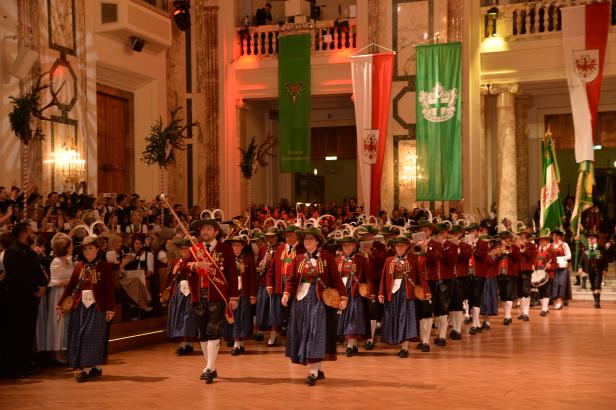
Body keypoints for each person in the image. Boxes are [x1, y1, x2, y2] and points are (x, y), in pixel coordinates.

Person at [282, 227, 347, 386]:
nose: (307, 242)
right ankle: (317, 369)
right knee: (305, 332)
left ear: (318, 242)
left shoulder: (327, 258)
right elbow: (291, 280)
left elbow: (337, 280)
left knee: (316, 333)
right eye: (305, 240)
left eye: (311, 239)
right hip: (301, 300)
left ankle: (313, 372)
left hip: (319, 301)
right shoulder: (298, 259)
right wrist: (286, 294)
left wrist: (343, 298)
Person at [57, 235, 116, 383]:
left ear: (97, 249)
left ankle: (87, 369)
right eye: (85, 249)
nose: (88, 251)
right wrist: (60, 303)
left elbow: (110, 290)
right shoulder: (79, 266)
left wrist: (110, 309)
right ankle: (94, 368)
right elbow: (70, 287)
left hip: (98, 308)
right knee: (80, 336)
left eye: (91, 248)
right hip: (80, 308)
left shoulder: (104, 267)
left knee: (92, 337)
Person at [189, 219, 238, 384]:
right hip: (198, 295)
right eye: (203, 229)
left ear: (216, 232)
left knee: (212, 330)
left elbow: (231, 273)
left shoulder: (225, 249)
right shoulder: (195, 250)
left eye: (209, 229)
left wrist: (233, 296)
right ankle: (210, 366)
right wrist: (195, 265)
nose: (205, 232)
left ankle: (209, 368)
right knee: (202, 332)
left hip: (217, 295)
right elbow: (182, 267)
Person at [1, 222, 47, 378]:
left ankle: (25, 364)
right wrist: (35, 289)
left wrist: (43, 286)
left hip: (31, 301)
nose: (33, 234)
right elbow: (17, 276)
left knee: (28, 332)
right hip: (17, 301)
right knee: (16, 334)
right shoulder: (11, 252)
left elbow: (38, 272)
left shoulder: (32, 252)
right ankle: (14, 368)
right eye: (30, 232)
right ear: (22, 233)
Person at [378, 236, 427, 358]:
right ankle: (397, 341)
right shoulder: (389, 260)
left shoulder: (413, 259)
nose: (399, 248)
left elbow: (420, 277)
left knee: (406, 319)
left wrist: (427, 291)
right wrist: (381, 293)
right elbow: (383, 278)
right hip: (393, 294)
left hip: (407, 293)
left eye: (402, 245)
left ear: (407, 247)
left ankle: (404, 348)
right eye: (397, 246)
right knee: (394, 318)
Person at [266, 225, 305, 347]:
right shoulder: (281, 248)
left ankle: (295, 338)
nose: (288, 237)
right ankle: (274, 335)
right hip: (280, 284)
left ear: (297, 236)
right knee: (278, 312)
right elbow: (272, 267)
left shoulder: (302, 249)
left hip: (296, 286)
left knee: (294, 312)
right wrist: (269, 284)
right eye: (286, 235)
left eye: (291, 235)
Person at [335, 235, 371, 356]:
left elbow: (368, 277)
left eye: (349, 245)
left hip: (355, 293)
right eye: (344, 245)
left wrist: (370, 292)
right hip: (341, 292)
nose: (347, 247)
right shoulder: (338, 260)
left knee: (353, 319)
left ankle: (350, 346)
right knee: (345, 319)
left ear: (354, 246)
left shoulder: (361, 259)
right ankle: (353, 344)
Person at [42, 233, 74, 363]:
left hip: (68, 294)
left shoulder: (70, 259)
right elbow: (54, 281)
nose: (72, 247)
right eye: (70, 245)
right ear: (64, 247)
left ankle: (66, 350)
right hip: (59, 294)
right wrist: (71, 281)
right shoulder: (56, 261)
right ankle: (56, 353)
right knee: (59, 323)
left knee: (67, 323)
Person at [163, 238, 198, 356]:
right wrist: (164, 290)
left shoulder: (195, 262)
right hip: (178, 294)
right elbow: (169, 277)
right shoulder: (175, 263)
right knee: (179, 318)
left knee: (188, 318)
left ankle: (187, 344)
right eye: (182, 248)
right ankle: (184, 344)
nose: (184, 250)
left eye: (186, 248)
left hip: (191, 294)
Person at [225, 236, 257, 355]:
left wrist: (253, 295)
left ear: (242, 246)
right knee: (233, 317)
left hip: (244, 293)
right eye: (233, 245)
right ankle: (238, 343)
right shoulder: (228, 260)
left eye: (238, 245)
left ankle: (238, 344)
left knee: (242, 318)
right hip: (231, 293)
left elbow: (253, 279)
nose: (235, 247)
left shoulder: (248, 260)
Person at [255, 227, 279, 342]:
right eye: (268, 237)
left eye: (272, 237)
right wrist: (260, 266)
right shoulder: (263, 249)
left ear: (276, 237)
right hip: (263, 282)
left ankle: (273, 335)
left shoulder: (280, 249)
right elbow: (257, 267)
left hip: (274, 283)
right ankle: (259, 331)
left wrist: (273, 259)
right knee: (261, 308)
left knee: (273, 309)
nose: (270, 239)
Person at [578, 231, 607, 309]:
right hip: (590, 270)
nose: (590, 239)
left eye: (592, 238)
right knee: (593, 286)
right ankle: (595, 301)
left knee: (597, 285)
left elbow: (605, 259)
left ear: (596, 239)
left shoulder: (601, 247)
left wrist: (605, 269)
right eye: (589, 238)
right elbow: (582, 259)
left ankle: (597, 301)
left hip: (598, 269)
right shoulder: (586, 248)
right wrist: (580, 267)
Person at [517, 229, 537, 320]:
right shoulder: (516, 245)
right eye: (521, 235)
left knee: (526, 291)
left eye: (524, 235)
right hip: (517, 269)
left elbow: (530, 256)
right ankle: (522, 312)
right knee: (519, 292)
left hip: (526, 269)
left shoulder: (532, 246)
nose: (522, 236)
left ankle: (526, 313)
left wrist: (523, 246)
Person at [550, 230, 571, 310]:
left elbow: (569, 256)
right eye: (553, 236)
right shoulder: (550, 245)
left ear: (559, 236)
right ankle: (555, 301)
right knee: (554, 284)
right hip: (553, 268)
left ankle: (560, 300)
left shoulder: (564, 244)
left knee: (561, 284)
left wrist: (561, 259)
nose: (554, 237)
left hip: (562, 268)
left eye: (556, 236)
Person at [536, 230, 555, 316]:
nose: (542, 242)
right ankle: (545, 307)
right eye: (541, 240)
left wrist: (550, 266)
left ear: (547, 241)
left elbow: (555, 263)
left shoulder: (551, 250)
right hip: (538, 274)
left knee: (547, 291)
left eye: (544, 240)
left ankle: (544, 308)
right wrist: (533, 266)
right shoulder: (536, 250)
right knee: (540, 291)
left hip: (548, 274)